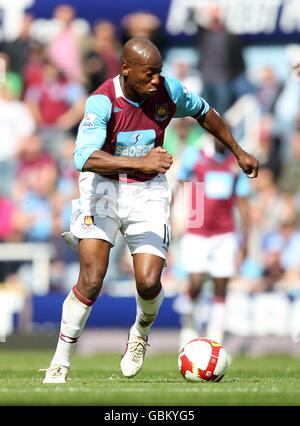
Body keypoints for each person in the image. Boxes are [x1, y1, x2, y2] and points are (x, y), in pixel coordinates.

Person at [41, 37, 258, 383]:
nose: (156, 79)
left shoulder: (168, 92)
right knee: (93, 279)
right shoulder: (102, 102)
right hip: (102, 190)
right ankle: (60, 361)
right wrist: (141, 159)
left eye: (159, 72)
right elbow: (83, 157)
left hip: (148, 191)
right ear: (126, 69)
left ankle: (140, 334)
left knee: (148, 280)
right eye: (149, 73)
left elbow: (206, 113)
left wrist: (238, 150)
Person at [173, 136, 251, 348]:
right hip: (196, 230)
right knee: (196, 282)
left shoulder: (236, 163)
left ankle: (216, 336)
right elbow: (180, 184)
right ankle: (189, 327)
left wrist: (246, 241)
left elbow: (243, 202)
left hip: (225, 233)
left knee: (221, 285)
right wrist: (173, 214)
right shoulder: (194, 155)